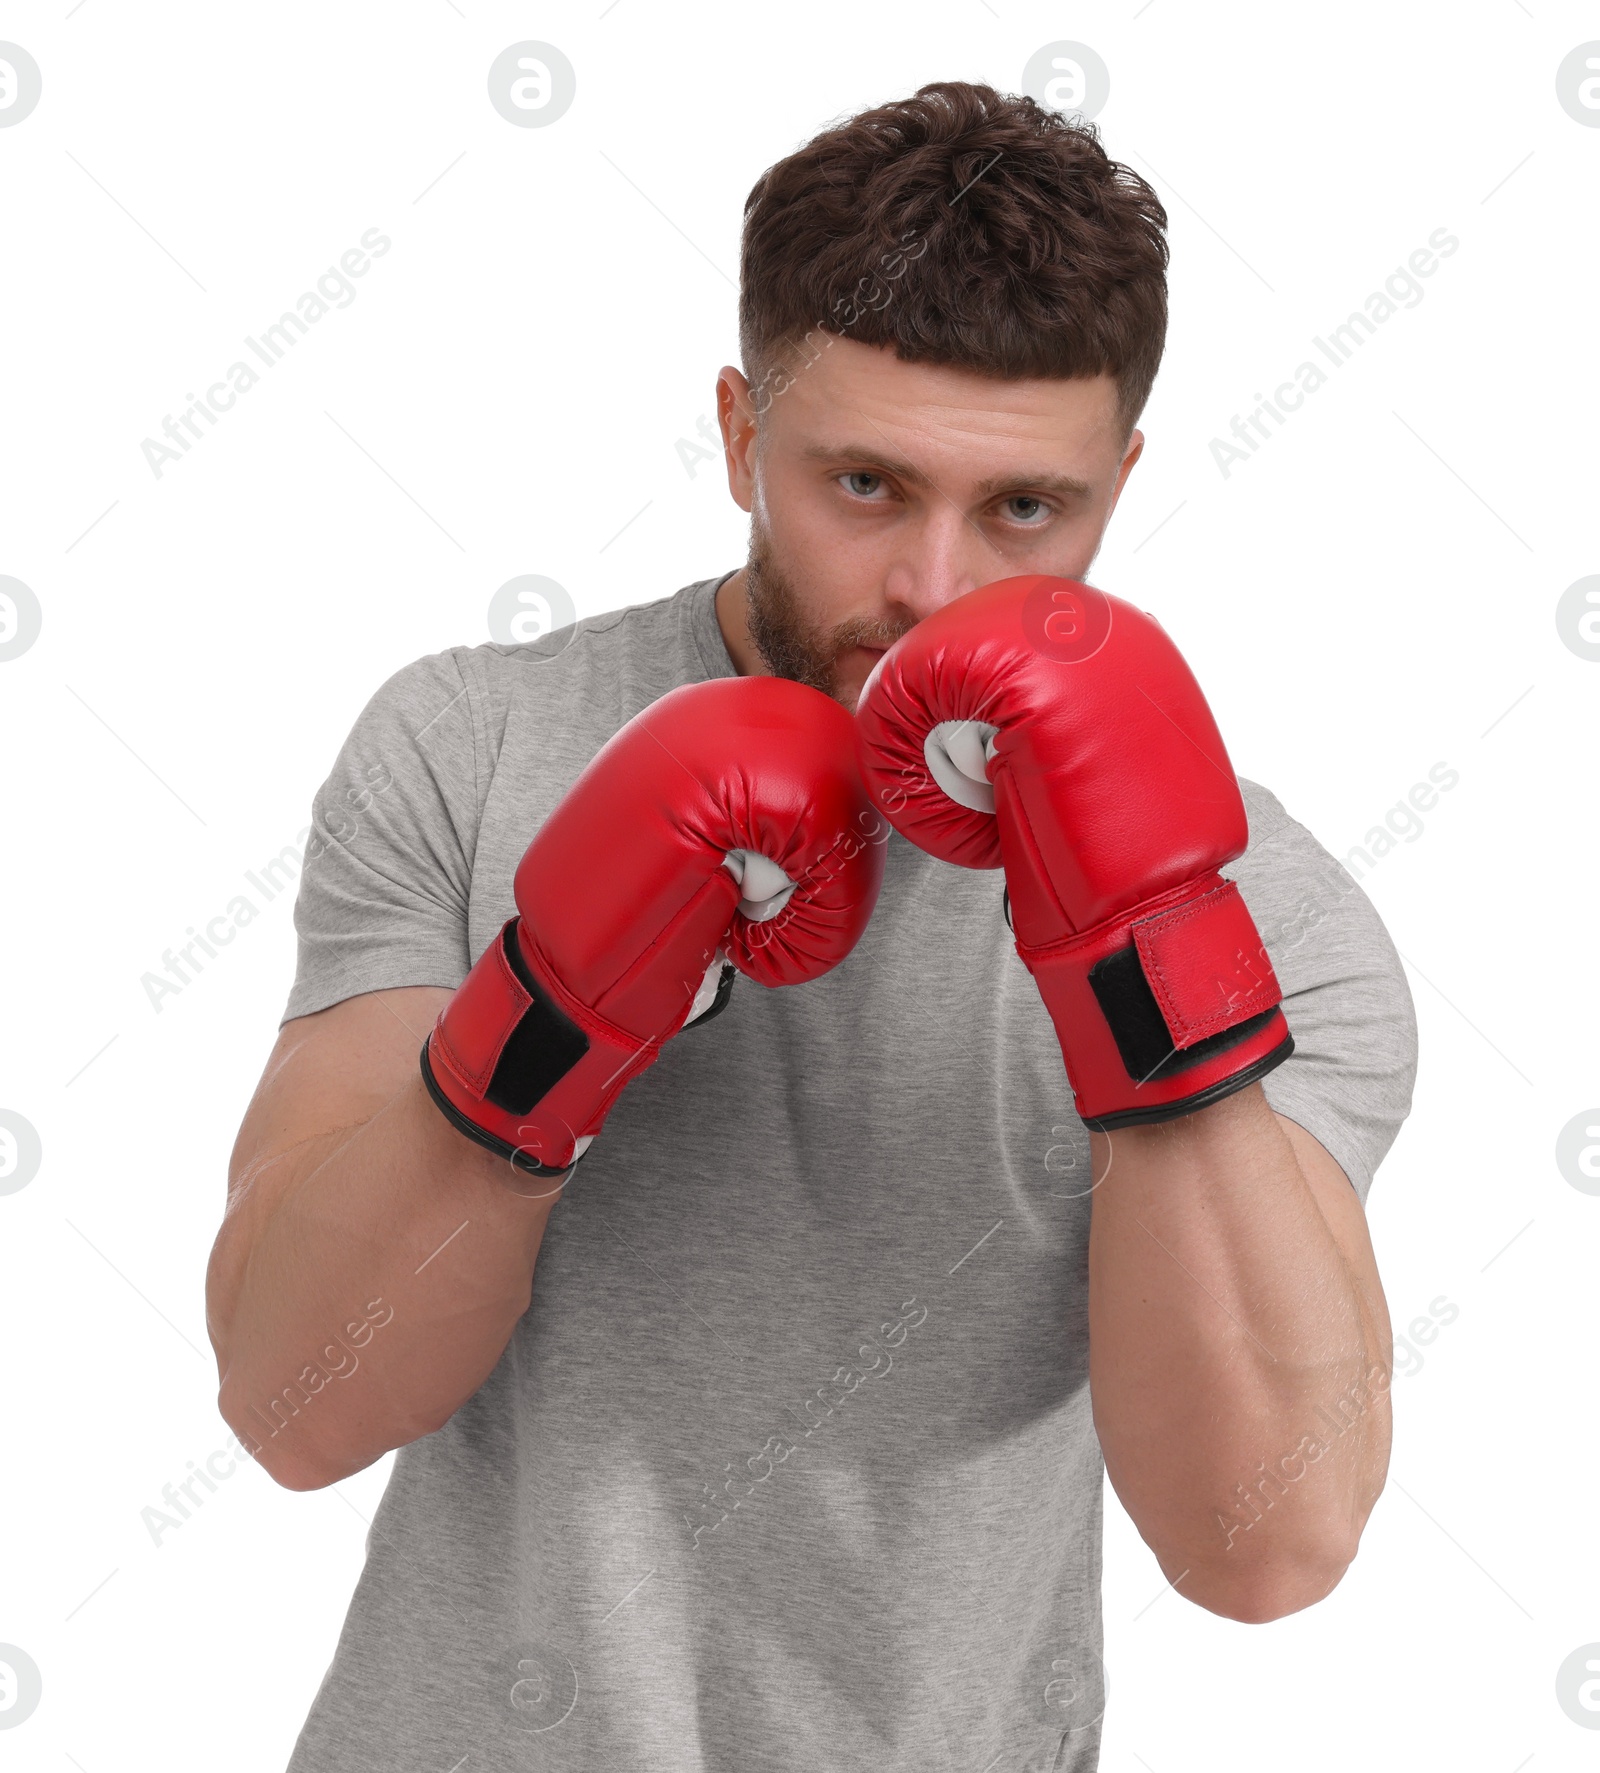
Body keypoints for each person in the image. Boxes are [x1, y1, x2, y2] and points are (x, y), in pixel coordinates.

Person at [206, 80, 1418, 1773]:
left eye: (1024, 511)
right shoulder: (476, 750)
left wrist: (1146, 948)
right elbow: (290, 1402)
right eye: (863, 481)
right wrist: (556, 1006)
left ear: (1121, 479)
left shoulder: (1272, 920)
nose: (931, 587)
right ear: (736, 437)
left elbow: (1265, 1545)